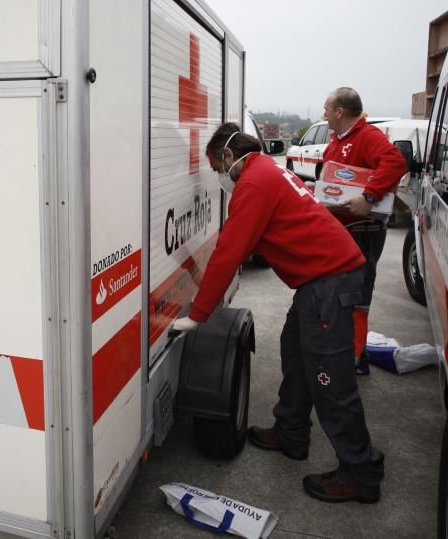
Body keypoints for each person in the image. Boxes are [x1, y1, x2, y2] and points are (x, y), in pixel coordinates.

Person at [171, 122, 386, 504]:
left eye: (218, 169)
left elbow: (228, 253)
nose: (221, 177)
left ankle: (360, 472)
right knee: (296, 353)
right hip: (318, 280)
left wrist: (198, 314)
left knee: (330, 379)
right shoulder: (266, 170)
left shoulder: (253, 184)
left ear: (229, 156)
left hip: (328, 281)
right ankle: (291, 432)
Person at [319, 87, 407, 375]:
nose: (324, 113)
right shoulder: (337, 140)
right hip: (343, 231)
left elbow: (395, 162)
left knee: (357, 295)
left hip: (363, 232)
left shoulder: (367, 137)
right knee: (338, 294)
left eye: (327, 108)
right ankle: (352, 352)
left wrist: (368, 197)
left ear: (340, 111)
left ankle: (354, 359)